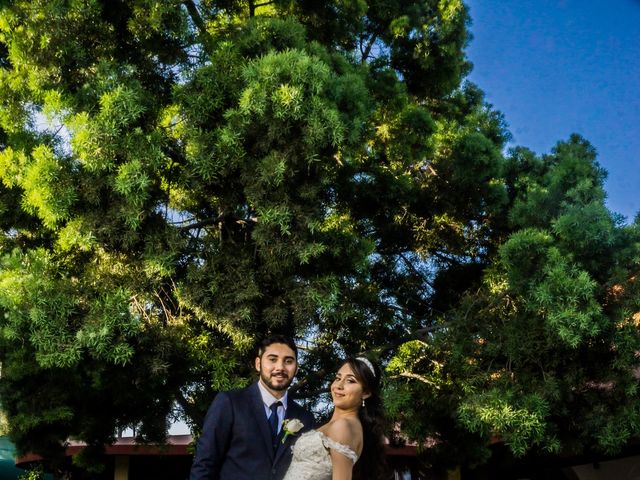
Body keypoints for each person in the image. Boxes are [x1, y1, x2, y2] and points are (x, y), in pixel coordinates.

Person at [190, 334, 315, 480]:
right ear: (258, 364)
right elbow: (204, 464)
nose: (280, 367)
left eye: (288, 361)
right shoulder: (229, 403)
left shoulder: (305, 418)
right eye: (272, 359)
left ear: (296, 368)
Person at [282, 357, 387, 480]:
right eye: (338, 378)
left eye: (350, 381)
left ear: (366, 393)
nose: (339, 385)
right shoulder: (343, 425)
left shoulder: (343, 426)